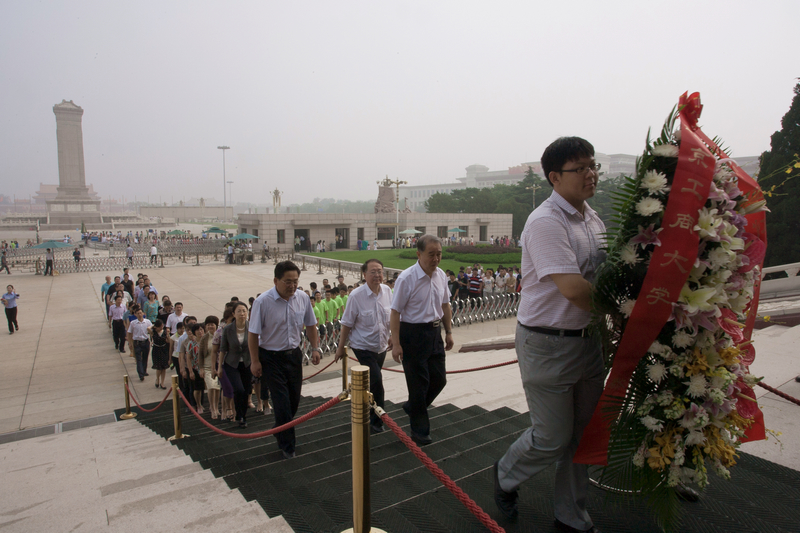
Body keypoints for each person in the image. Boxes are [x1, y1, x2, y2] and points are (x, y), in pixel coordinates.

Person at [493, 136, 605, 533]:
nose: (591, 174)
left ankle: (572, 516)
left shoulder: (592, 218)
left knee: (580, 435)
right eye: (581, 168)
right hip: (548, 342)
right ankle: (505, 475)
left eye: (593, 165)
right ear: (555, 178)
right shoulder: (545, 222)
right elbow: (574, 290)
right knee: (553, 436)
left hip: (588, 340)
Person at [249, 261, 321, 459]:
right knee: (281, 403)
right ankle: (288, 447)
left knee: (294, 401)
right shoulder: (263, 302)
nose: (292, 286)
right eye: (287, 281)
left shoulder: (303, 298)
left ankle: (279, 428)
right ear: (276, 280)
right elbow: (253, 334)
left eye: (295, 281)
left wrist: (315, 348)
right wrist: (255, 361)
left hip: (294, 355)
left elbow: (311, 325)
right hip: (271, 357)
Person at [390, 235, 454, 446]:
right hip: (413, 335)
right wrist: (396, 343)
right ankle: (420, 432)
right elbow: (395, 312)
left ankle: (413, 407)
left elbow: (445, 305)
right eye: (431, 254)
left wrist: (449, 331)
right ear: (418, 254)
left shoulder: (441, 275)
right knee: (418, 385)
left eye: (439, 254)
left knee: (439, 380)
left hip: (434, 333)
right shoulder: (407, 278)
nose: (436, 259)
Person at [335, 259, 392, 434]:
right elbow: (347, 324)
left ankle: (364, 409)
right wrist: (340, 347)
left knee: (372, 384)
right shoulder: (356, 296)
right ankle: (377, 421)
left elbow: (391, 317)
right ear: (364, 274)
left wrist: (393, 337)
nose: (377, 275)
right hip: (363, 346)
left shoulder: (387, 291)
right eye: (373, 272)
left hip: (381, 347)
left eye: (380, 271)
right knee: (377, 382)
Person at [219, 302, 252, 427]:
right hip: (231, 364)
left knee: (246, 390)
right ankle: (240, 415)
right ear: (233, 313)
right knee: (239, 389)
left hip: (247, 363)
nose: (242, 314)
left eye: (244, 311)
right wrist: (219, 367)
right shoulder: (228, 329)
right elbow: (223, 349)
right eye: (239, 311)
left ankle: (242, 415)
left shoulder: (251, 327)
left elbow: (256, 345)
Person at [198, 316, 221, 419]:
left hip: (218, 366)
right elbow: (200, 355)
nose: (210, 326)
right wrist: (201, 368)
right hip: (207, 367)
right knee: (211, 387)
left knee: (217, 388)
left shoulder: (220, 335)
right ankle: (212, 407)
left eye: (212, 324)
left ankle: (216, 407)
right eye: (208, 325)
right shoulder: (204, 338)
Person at [127, 307, 153, 381]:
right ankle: (141, 374)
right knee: (138, 359)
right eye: (138, 313)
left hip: (145, 341)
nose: (139, 314)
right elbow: (129, 333)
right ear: (135, 314)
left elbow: (152, 331)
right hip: (137, 343)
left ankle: (144, 371)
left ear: (143, 314)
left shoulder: (147, 322)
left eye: (140, 313)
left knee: (145, 358)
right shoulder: (133, 323)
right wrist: (130, 343)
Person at [150, 319, 170, 389]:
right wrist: (154, 326)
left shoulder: (165, 332)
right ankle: (157, 379)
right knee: (158, 367)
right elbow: (148, 328)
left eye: (162, 326)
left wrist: (168, 336)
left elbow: (168, 341)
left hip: (164, 350)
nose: (162, 327)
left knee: (164, 367)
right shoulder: (153, 332)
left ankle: (162, 382)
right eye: (160, 326)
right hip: (156, 350)